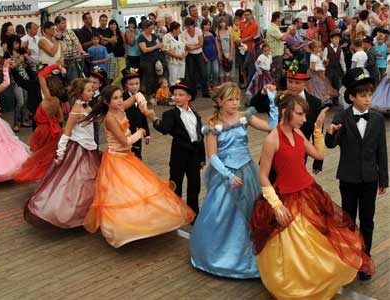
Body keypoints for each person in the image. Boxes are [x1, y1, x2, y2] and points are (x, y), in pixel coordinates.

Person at [250, 93, 375, 299]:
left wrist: (318, 128)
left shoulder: (298, 134)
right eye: (299, 114)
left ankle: (316, 283)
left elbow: (319, 155)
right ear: (285, 112)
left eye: (304, 115)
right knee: (295, 248)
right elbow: (263, 176)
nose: (303, 119)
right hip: (287, 198)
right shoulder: (272, 139)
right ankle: (297, 286)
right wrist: (276, 205)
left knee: (319, 242)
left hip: (308, 192)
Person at [83, 85, 195, 248]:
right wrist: (140, 132)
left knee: (141, 190)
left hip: (127, 157)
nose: (120, 100)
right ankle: (123, 229)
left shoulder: (121, 107)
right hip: (117, 159)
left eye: (120, 96)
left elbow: (136, 96)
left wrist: (142, 103)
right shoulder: (109, 118)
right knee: (121, 195)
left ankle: (147, 222)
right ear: (107, 102)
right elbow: (124, 141)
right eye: (115, 98)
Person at [190, 82, 277, 279]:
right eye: (230, 99)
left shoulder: (244, 117)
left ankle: (252, 257)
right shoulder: (212, 126)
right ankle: (220, 256)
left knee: (253, 213)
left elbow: (272, 127)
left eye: (237, 99)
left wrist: (271, 101)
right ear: (220, 101)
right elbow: (212, 155)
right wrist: (228, 175)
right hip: (227, 174)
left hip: (248, 171)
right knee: (222, 215)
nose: (235, 103)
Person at [326, 68, 388, 281]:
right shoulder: (342, 116)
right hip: (348, 178)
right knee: (349, 220)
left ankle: (365, 259)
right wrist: (330, 133)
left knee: (368, 220)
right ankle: (349, 257)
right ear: (352, 96)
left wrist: (384, 179)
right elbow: (331, 144)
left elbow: (382, 151)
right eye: (363, 95)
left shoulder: (378, 120)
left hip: (370, 179)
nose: (368, 99)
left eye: (370, 94)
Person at [24, 78, 100, 228]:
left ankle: (86, 211)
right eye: (89, 90)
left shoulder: (87, 106)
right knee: (78, 180)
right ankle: (71, 213)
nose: (92, 92)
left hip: (89, 147)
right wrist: (60, 152)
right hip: (79, 149)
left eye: (92, 90)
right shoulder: (76, 110)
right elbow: (67, 132)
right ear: (80, 93)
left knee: (89, 179)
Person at [144, 79, 205, 216]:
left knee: (194, 185)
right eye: (175, 94)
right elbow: (165, 129)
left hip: (194, 155)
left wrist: (202, 157)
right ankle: (175, 213)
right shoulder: (170, 114)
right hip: (179, 155)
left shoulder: (196, 115)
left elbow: (200, 137)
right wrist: (154, 119)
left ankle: (193, 212)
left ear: (188, 97)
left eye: (180, 95)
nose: (176, 97)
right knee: (176, 184)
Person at [250, 62, 324, 175]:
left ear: (305, 83)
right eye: (290, 81)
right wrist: (263, 92)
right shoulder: (278, 98)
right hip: (274, 156)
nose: (293, 85)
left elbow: (317, 130)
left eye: (297, 82)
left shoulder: (315, 103)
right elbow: (255, 106)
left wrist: (318, 161)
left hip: (298, 157)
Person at [13, 64, 65, 183]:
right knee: (50, 153)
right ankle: (51, 175)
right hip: (54, 129)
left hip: (42, 130)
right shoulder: (57, 101)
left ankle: (40, 175)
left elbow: (41, 75)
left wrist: (56, 65)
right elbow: (61, 119)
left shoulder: (48, 98)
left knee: (40, 154)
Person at [121, 67, 150, 159]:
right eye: (131, 84)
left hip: (138, 132)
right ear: (126, 85)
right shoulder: (122, 98)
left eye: (137, 83)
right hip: (126, 133)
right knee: (128, 156)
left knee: (137, 155)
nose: (134, 86)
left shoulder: (141, 96)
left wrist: (147, 134)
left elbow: (143, 115)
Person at [306, 41, 338, 105]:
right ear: (314, 49)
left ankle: (325, 101)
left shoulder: (317, 55)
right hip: (315, 74)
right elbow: (312, 68)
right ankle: (320, 101)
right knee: (318, 87)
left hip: (320, 73)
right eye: (319, 48)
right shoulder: (313, 57)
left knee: (323, 85)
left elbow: (322, 62)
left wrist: (324, 60)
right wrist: (321, 68)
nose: (320, 49)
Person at [163, 21, 187, 86]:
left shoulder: (181, 36)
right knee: (173, 79)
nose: (180, 30)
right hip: (172, 62)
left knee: (180, 78)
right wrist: (177, 56)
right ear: (174, 30)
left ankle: (179, 91)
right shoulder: (166, 37)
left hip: (182, 61)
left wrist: (184, 54)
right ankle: (173, 93)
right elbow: (165, 50)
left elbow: (186, 46)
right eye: (179, 29)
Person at [324, 29, 346, 95]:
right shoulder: (326, 48)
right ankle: (329, 99)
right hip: (329, 69)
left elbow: (342, 60)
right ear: (331, 39)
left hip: (337, 69)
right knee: (329, 84)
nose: (337, 40)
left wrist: (344, 70)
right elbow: (324, 60)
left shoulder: (340, 49)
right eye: (335, 39)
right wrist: (324, 71)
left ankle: (336, 99)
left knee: (337, 84)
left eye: (338, 39)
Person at [201, 19, 219, 89]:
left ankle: (214, 85)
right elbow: (200, 47)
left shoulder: (212, 33)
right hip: (206, 56)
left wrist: (219, 54)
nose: (207, 26)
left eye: (209, 24)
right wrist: (204, 57)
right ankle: (208, 86)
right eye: (206, 25)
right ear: (203, 25)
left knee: (216, 71)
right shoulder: (201, 34)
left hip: (214, 55)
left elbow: (216, 44)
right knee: (208, 73)